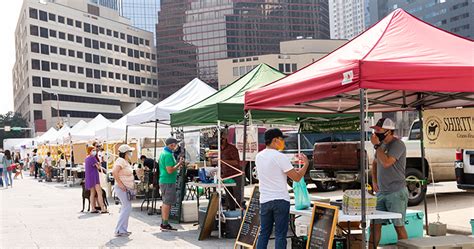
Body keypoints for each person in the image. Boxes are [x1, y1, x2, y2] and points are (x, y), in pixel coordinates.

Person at [255, 128, 309, 249]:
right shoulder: (280, 157)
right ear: (274, 140)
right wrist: (306, 165)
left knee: (264, 233)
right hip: (280, 199)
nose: (283, 143)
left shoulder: (259, 156)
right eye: (281, 140)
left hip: (265, 200)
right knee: (280, 234)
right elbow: (296, 178)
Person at [369, 118, 408, 248]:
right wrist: (374, 181)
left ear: (389, 131)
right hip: (381, 192)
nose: (376, 133)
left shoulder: (398, 145)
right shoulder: (381, 145)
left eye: (379, 130)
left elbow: (386, 162)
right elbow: (374, 164)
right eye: (375, 130)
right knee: (374, 225)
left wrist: (376, 146)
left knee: (399, 225)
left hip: (396, 192)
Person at [159, 137, 184, 231]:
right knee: (167, 203)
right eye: (175, 144)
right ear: (172, 145)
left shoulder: (164, 153)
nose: (176, 146)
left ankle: (164, 223)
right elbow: (169, 170)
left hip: (166, 181)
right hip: (168, 181)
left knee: (166, 202)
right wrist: (179, 164)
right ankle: (164, 224)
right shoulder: (168, 155)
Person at [112, 144, 135, 237]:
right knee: (126, 208)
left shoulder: (125, 161)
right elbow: (114, 172)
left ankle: (122, 229)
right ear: (125, 153)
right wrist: (121, 184)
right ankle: (119, 230)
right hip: (122, 188)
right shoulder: (120, 161)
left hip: (126, 187)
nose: (131, 153)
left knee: (126, 208)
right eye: (129, 152)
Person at [219, 130, 242, 211]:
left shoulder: (231, 148)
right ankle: (232, 215)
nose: (221, 141)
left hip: (235, 175)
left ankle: (240, 216)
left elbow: (236, 162)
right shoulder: (220, 149)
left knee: (238, 197)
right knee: (229, 197)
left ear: (225, 139)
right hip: (226, 176)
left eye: (222, 139)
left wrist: (223, 161)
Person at [84, 146, 108, 214]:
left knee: (92, 193)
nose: (94, 151)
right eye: (93, 150)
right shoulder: (92, 158)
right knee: (99, 192)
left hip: (89, 177)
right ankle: (103, 209)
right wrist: (99, 163)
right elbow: (98, 167)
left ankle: (93, 208)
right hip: (94, 177)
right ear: (90, 151)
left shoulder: (87, 158)